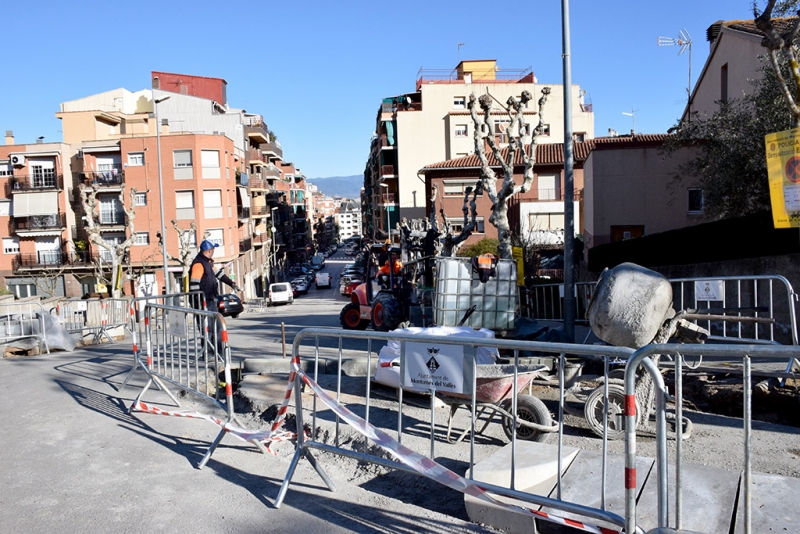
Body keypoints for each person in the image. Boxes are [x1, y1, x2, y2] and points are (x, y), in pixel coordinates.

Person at [189, 240, 240, 355]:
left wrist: (231, 283)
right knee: (208, 329)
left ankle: (218, 352)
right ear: (209, 250)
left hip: (211, 301)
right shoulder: (199, 264)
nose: (214, 252)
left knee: (217, 327)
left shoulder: (209, 262)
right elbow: (194, 286)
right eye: (213, 250)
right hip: (203, 302)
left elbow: (219, 275)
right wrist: (200, 303)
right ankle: (208, 354)